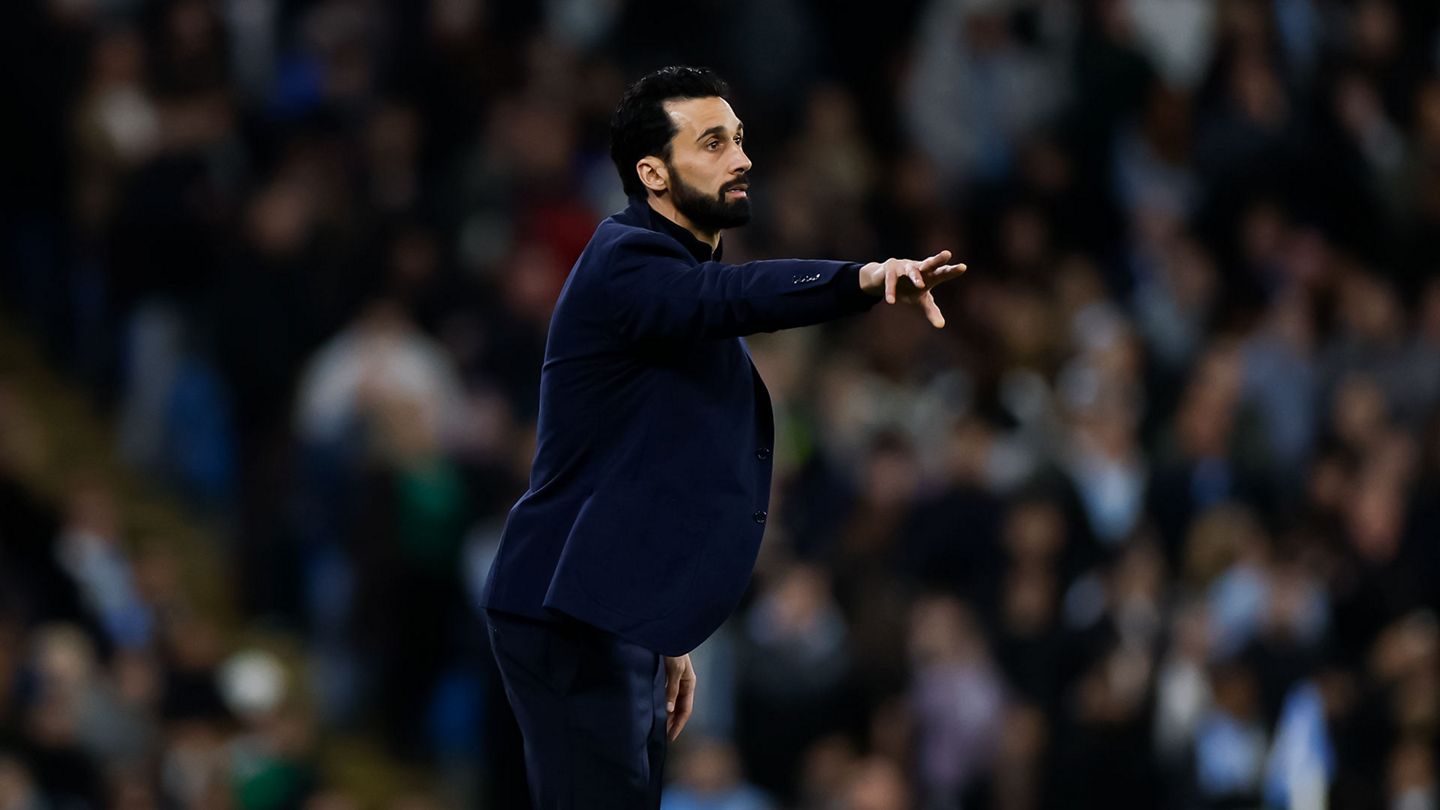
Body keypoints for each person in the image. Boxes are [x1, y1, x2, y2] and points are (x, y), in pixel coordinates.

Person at [479, 65, 968, 808]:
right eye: (712, 143)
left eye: (739, 139)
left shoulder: (670, 286)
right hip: (569, 612)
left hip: (608, 609)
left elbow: (646, 458)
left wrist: (662, 625)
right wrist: (861, 280)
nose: (741, 159)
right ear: (653, 173)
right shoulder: (627, 258)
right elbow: (731, 297)